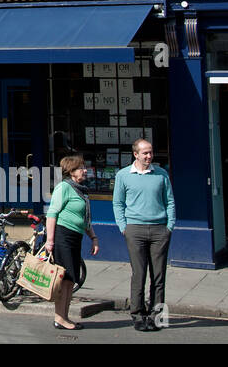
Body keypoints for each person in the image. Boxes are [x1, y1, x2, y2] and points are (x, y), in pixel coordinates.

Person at [112, 138, 175, 331]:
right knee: (138, 274)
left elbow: (170, 201)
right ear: (135, 154)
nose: (149, 156)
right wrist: (123, 226)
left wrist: (169, 226)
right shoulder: (123, 175)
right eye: (145, 153)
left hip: (159, 230)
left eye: (151, 152)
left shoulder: (161, 174)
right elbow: (118, 204)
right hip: (135, 230)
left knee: (158, 276)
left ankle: (156, 316)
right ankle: (138, 314)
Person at [45, 154, 99, 330]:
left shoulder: (80, 189)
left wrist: (93, 238)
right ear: (72, 171)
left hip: (75, 237)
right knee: (64, 279)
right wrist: (50, 241)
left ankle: (64, 317)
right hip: (63, 237)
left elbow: (83, 219)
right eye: (81, 168)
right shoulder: (64, 188)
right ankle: (60, 318)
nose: (85, 170)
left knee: (70, 280)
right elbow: (52, 214)